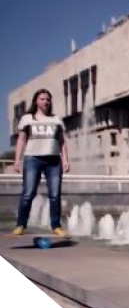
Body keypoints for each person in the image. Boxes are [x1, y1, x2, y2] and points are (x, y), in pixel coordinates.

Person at [12, 89, 70, 236]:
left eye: (48, 99)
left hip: (53, 160)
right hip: (33, 159)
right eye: (42, 99)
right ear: (36, 101)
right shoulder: (27, 118)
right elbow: (21, 140)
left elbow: (62, 142)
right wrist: (17, 160)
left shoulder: (56, 119)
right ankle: (20, 225)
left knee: (55, 195)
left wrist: (65, 160)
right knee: (28, 193)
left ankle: (56, 226)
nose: (45, 101)